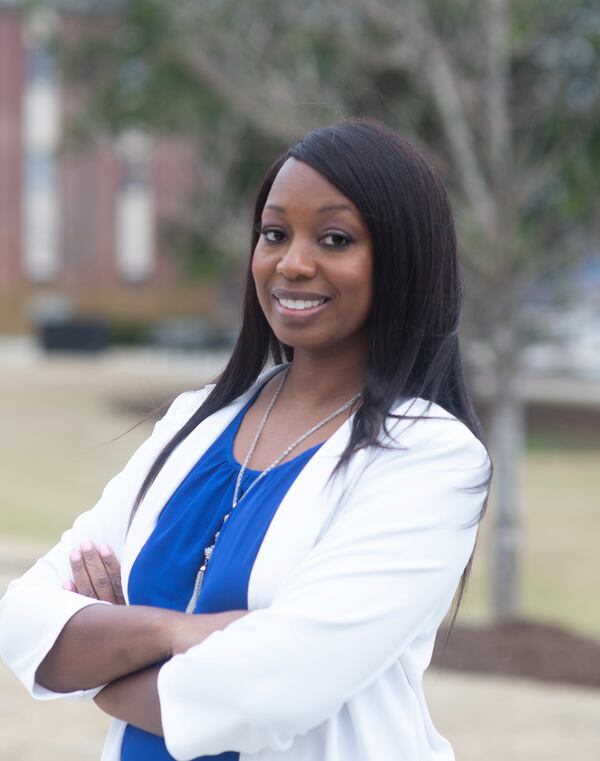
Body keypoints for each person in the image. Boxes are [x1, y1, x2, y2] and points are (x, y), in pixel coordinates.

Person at [0, 118, 492, 761]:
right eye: (274, 234)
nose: (293, 263)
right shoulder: (196, 420)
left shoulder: (429, 458)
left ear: (405, 261)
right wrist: (175, 631)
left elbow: (270, 693)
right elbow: (26, 620)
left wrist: (105, 666)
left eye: (335, 239)